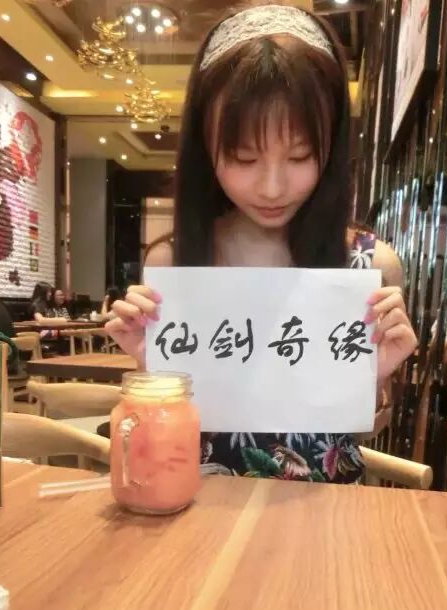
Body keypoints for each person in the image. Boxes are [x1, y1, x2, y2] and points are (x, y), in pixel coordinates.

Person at [107, 4, 416, 483]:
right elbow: (165, 438)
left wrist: (374, 376)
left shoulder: (368, 264)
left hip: (324, 513)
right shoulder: (176, 262)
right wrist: (152, 369)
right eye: (244, 158)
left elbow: (359, 437)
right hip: (202, 510)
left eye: (300, 156)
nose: (272, 188)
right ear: (205, 149)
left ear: (332, 146)